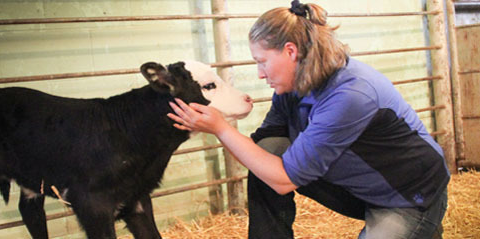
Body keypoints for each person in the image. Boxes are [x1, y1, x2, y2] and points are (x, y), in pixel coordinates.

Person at [167, 1, 450, 238]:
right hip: (358, 185)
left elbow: (282, 180)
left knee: (271, 168)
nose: (260, 74)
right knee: (263, 154)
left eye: (262, 61)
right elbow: (267, 143)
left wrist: (219, 127)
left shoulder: (350, 94)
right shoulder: (294, 84)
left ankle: (422, 228)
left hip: (408, 196)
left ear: (291, 51)